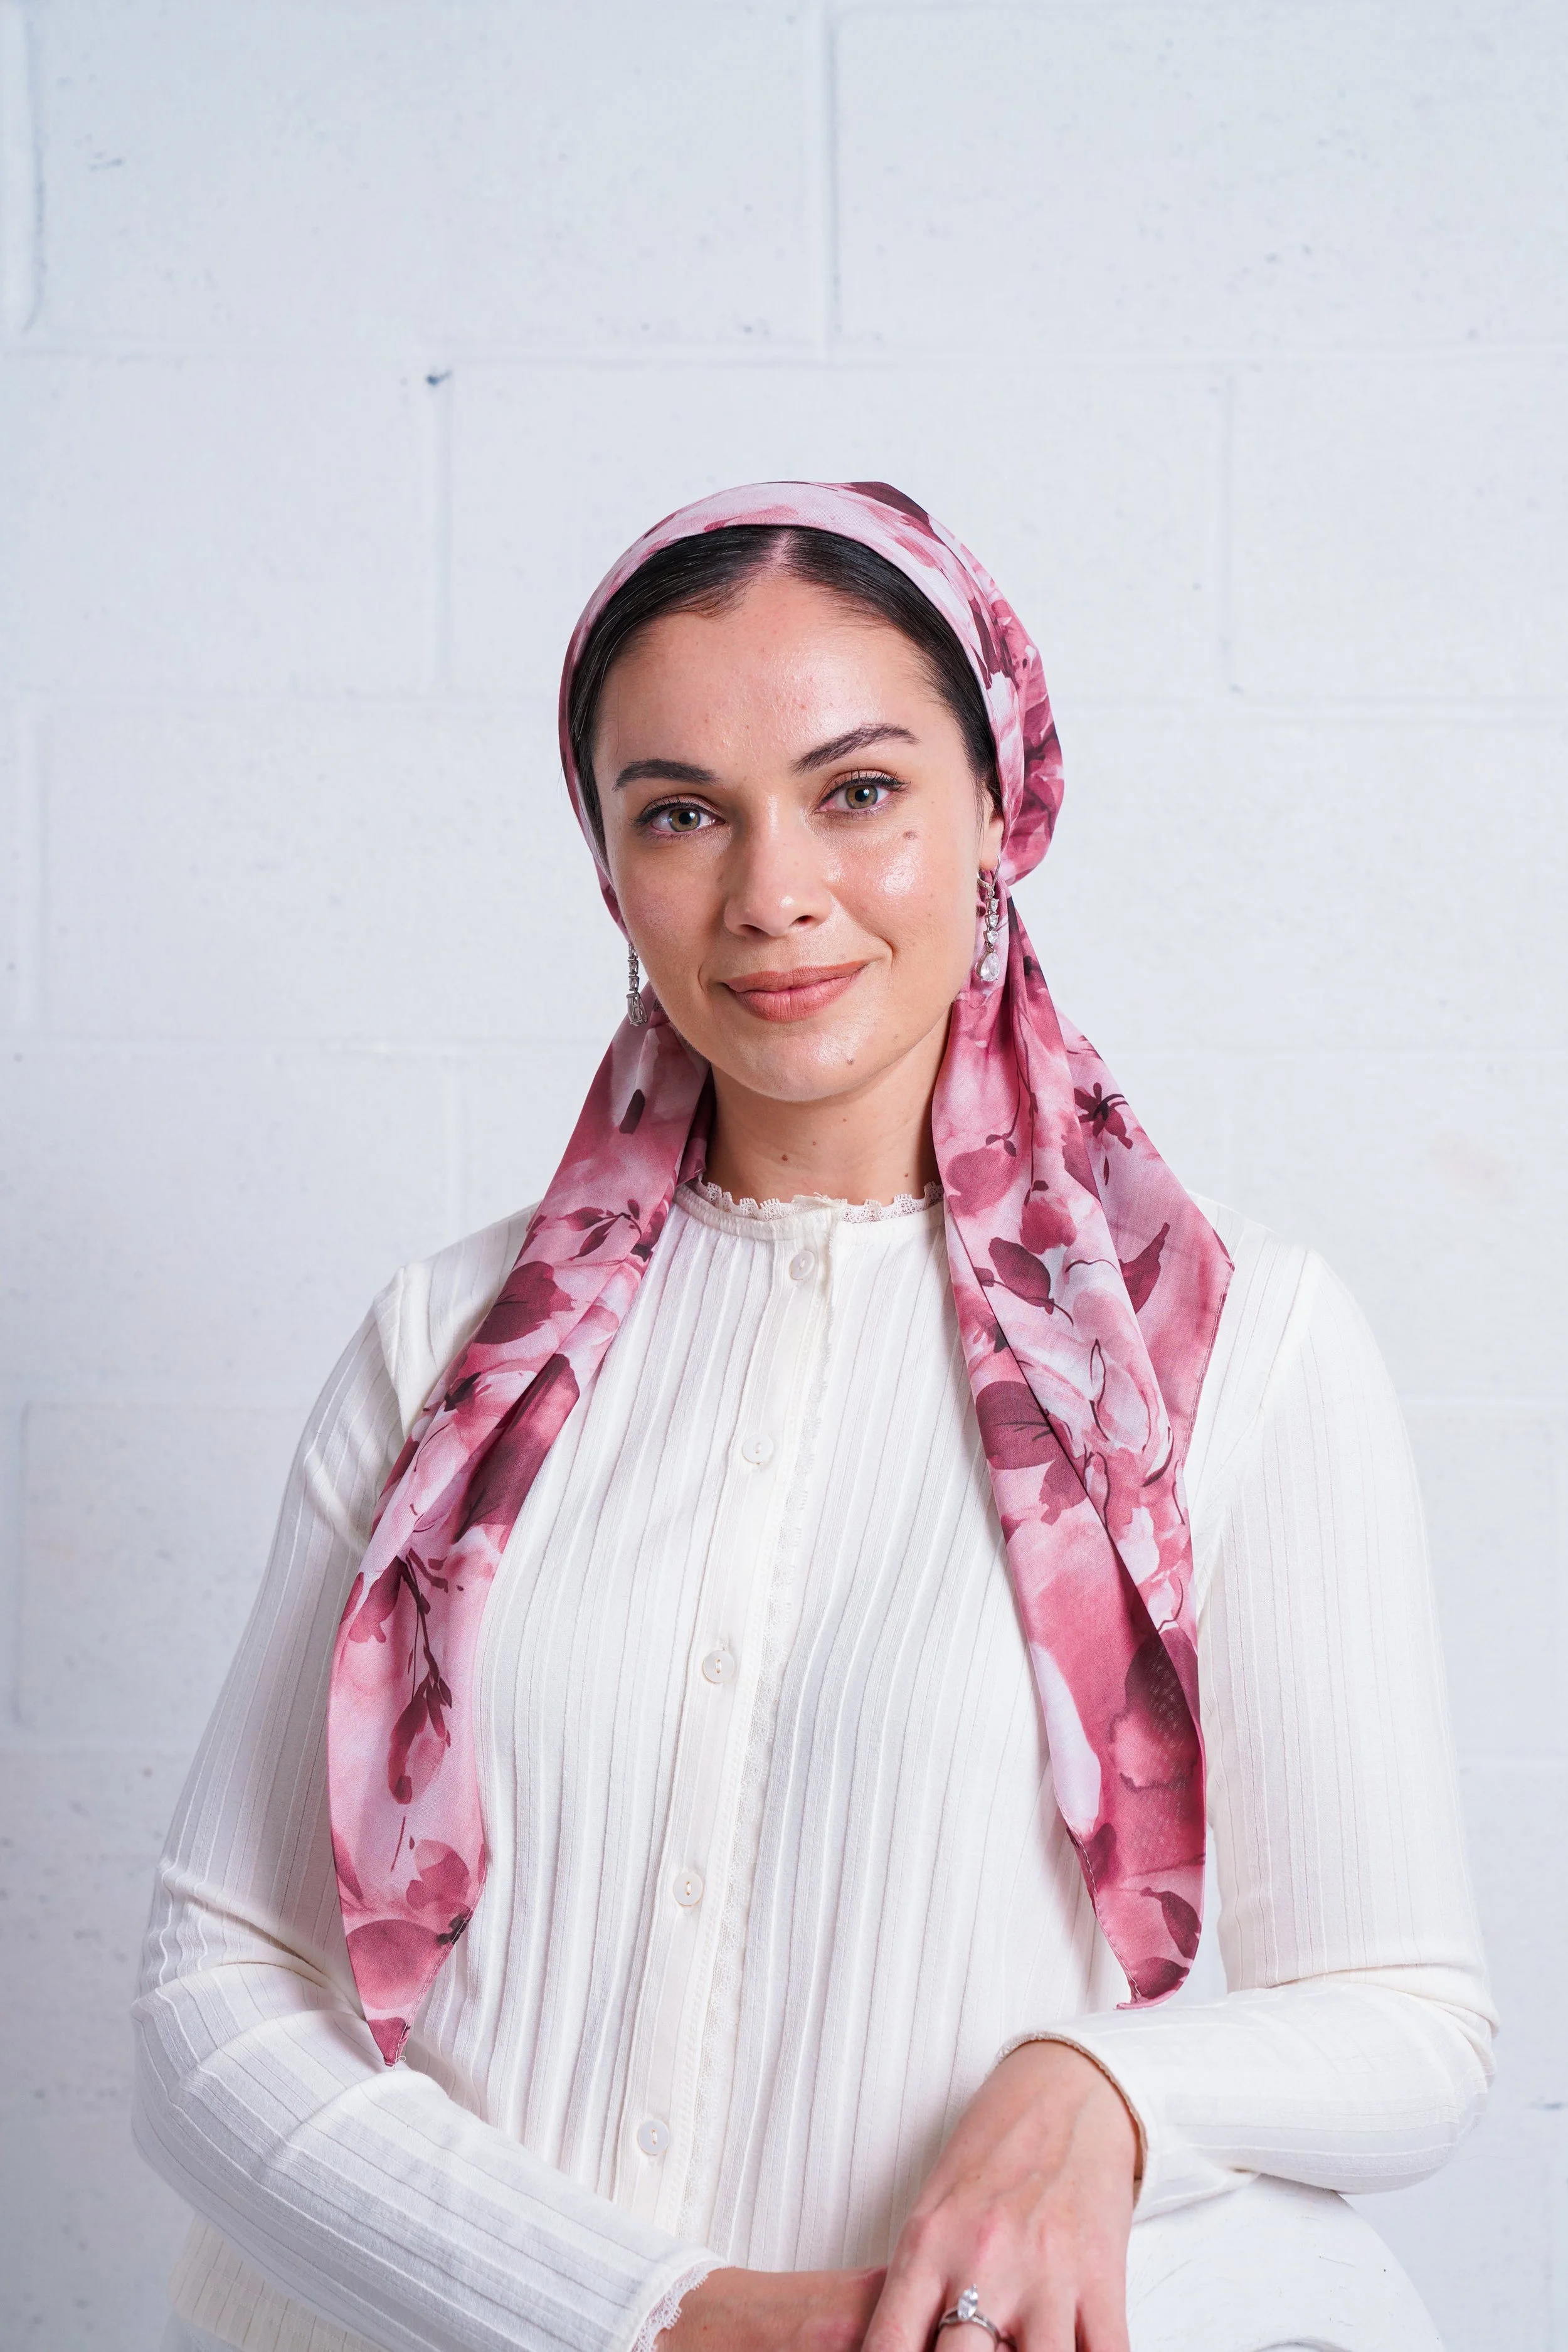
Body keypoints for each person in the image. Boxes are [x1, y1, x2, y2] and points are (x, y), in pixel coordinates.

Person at [134, 482, 1494, 2352]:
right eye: (681, 811)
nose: (772, 889)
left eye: (856, 791)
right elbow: (214, 1988)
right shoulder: (444, 1341)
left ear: (997, 814)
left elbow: (1404, 2022)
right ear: (610, 873)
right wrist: (665, 2316)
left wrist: (1096, 2084)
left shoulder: (1233, 1353)